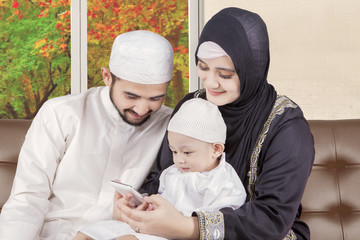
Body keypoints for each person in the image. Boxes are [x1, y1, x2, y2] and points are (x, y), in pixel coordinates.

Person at [114, 7, 315, 240]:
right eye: (203, 67)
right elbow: (162, 177)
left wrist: (187, 227)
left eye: (225, 74)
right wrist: (138, 206)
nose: (210, 83)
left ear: (253, 69)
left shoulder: (287, 126)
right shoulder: (193, 104)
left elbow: (271, 219)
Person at [0, 30, 174, 239]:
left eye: (155, 99)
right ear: (107, 77)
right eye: (131, 96)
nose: (142, 109)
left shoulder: (171, 125)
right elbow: (28, 197)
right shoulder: (60, 112)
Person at [74, 98, 246, 240]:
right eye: (174, 151)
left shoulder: (222, 179)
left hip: (177, 234)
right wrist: (141, 204)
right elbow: (163, 198)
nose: (179, 159)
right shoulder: (171, 173)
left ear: (216, 149)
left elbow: (222, 218)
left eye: (187, 152)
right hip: (154, 227)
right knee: (91, 231)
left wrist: (181, 221)